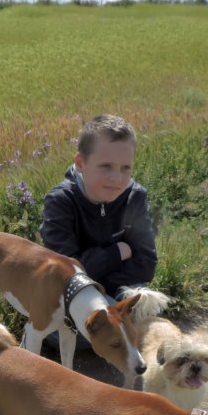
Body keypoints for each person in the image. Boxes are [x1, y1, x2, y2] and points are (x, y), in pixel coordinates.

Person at [39, 114, 159, 352]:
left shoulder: (135, 197)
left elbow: (146, 264)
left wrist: (101, 284)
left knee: (147, 308)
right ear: (81, 163)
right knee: (70, 333)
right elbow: (66, 276)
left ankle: (117, 334)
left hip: (119, 292)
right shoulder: (61, 202)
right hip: (74, 300)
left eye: (126, 168)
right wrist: (117, 252)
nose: (116, 177)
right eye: (106, 166)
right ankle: (117, 335)